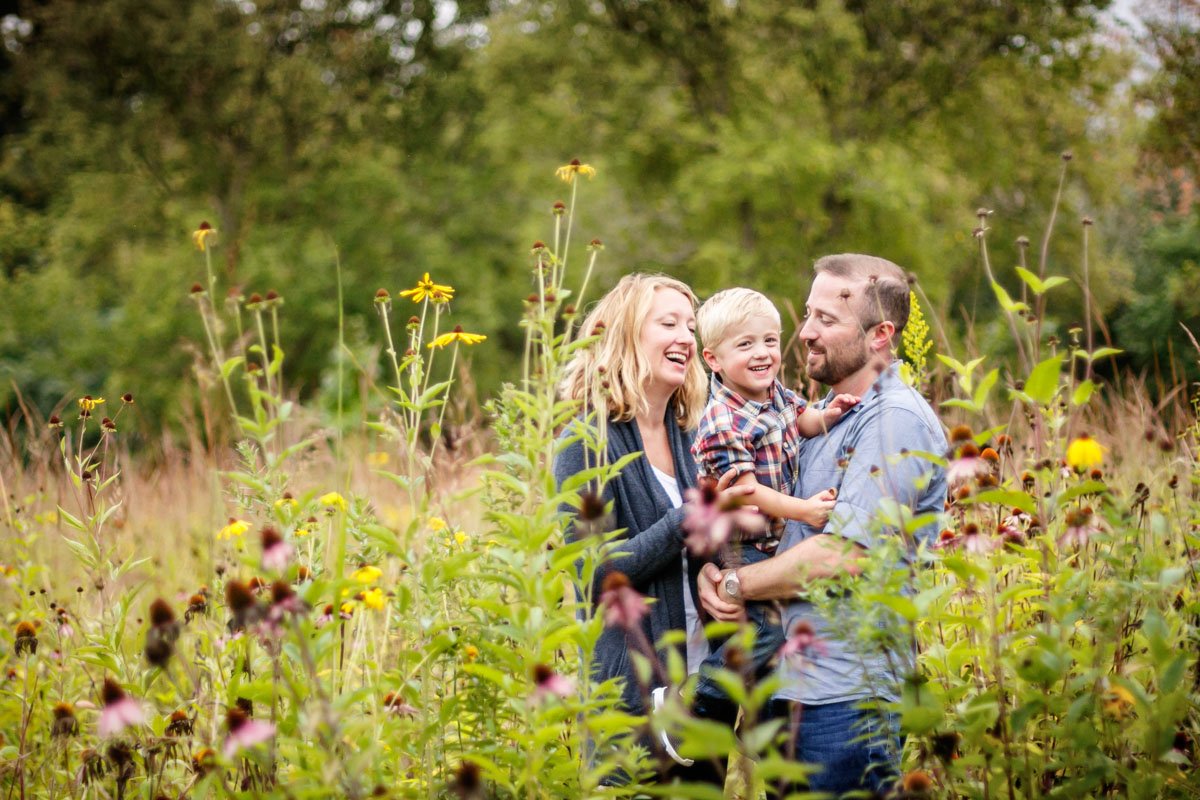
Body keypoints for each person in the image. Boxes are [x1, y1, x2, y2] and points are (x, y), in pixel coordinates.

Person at [699, 254, 948, 796]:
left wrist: (736, 585)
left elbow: (842, 556)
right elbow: (772, 524)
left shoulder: (894, 422)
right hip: (791, 690)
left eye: (826, 321)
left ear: (881, 334)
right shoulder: (817, 417)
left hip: (846, 698)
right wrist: (712, 570)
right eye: (808, 315)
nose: (805, 333)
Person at [554, 273, 752, 784]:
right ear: (626, 334)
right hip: (632, 703)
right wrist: (688, 518)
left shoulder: (691, 435)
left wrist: (720, 575)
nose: (687, 337)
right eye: (669, 323)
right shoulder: (587, 442)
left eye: (691, 325)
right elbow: (593, 575)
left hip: (700, 693)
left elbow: (696, 556)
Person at [689, 287, 859, 726]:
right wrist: (803, 511)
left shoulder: (775, 394)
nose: (762, 353)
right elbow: (746, 491)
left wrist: (829, 414)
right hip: (740, 544)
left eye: (769, 340)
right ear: (713, 360)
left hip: (771, 542)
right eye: (744, 345)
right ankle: (700, 703)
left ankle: (759, 722)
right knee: (765, 631)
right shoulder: (721, 420)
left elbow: (800, 422)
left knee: (777, 640)